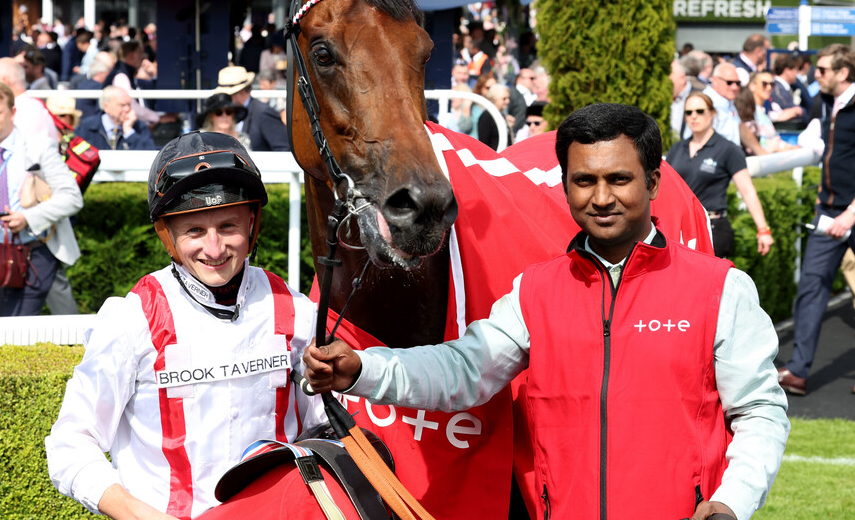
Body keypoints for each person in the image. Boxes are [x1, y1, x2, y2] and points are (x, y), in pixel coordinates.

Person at [305, 103, 789, 520]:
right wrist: (362, 369)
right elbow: (464, 370)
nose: (601, 198)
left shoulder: (720, 288)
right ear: (565, 186)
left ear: (654, 181)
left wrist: (732, 502)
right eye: (584, 181)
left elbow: (761, 411)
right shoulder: (535, 290)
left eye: (619, 179)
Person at [45, 131, 327, 518]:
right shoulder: (132, 319)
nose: (214, 249)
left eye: (228, 226)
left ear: (252, 222)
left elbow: (323, 426)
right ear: (167, 234)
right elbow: (69, 444)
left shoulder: (295, 310)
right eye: (194, 231)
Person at [0, 82, 83, 317]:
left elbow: (71, 197)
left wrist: (28, 217)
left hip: (35, 250)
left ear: (12, 113)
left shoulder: (39, 148)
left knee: (19, 326)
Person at [777, 45, 855, 397]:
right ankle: (797, 371)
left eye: (823, 70)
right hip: (828, 211)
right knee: (811, 288)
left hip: (853, 211)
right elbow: (819, 144)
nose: (816, 75)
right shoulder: (824, 102)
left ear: (843, 73)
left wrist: (851, 214)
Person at [668, 91, 774, 259]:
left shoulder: (728, 149)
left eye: (700, 111)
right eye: (689, 112)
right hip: (678, 229)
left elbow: (747, 191)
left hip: (712, 227)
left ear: (712, 113)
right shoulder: (677, 149)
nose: (694, 116)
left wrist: (763, 229)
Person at [214, 66, 288, 151]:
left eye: (227, 95)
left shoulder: (263, 113)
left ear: (241, 92)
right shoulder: (231, 111)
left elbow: (283, 149)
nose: (224, 99)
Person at [75, 85, 157, 151]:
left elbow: (149, 155)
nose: (127, 109)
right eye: (122, 105)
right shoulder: (87, 127)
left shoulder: (138, 126)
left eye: (129, 104)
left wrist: (129, 133)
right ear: (106, 107)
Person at [683, 61, 743, 146]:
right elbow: (694, 138)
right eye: (729, 82)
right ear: (715, 80)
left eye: (738, 83)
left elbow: (740, 128)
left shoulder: (728, 101)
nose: (734, 87)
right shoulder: (703, 102)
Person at [735, 72, 794, 155]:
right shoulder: (748, 112)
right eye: (764, 84)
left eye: (772, 84)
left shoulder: (762, 111)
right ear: (752, 86)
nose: (769, 87)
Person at [477, 82, 513, 150]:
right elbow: (483, 143)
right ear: (494, 98)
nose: (508, 101)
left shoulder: (502, 115)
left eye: (508, 98)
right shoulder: (486, 116)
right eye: (504, 99)